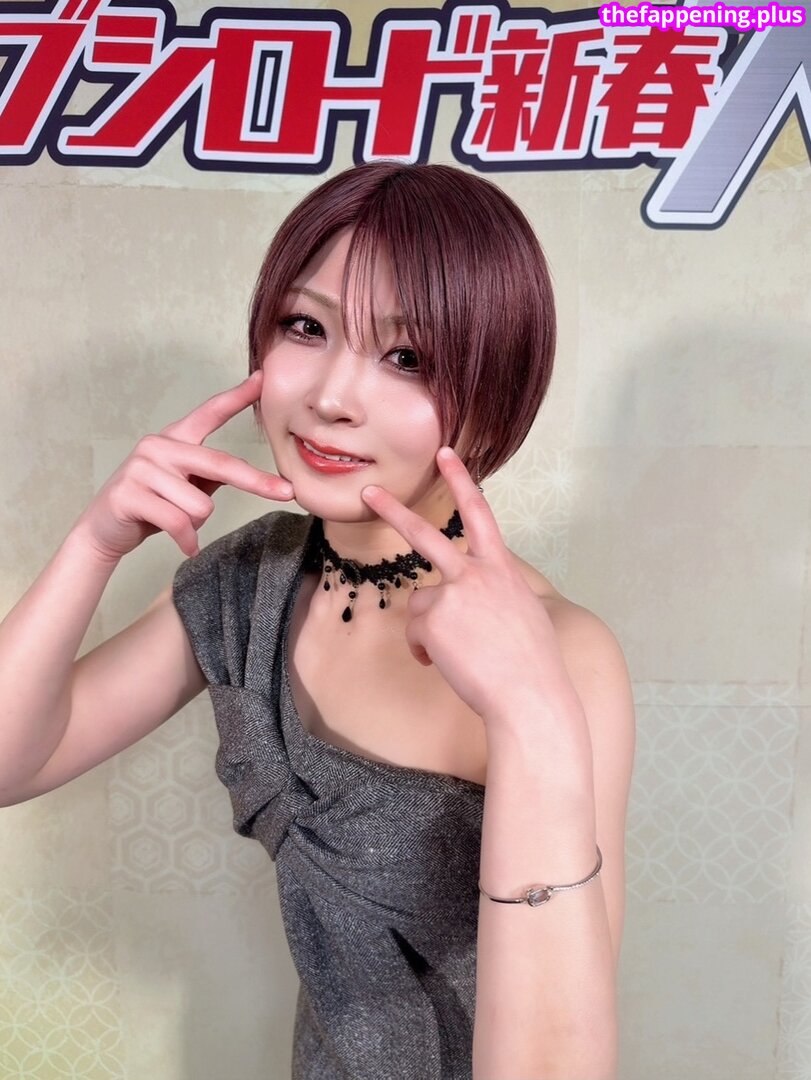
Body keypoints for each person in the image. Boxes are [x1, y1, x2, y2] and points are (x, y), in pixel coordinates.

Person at [0, 161, 635, 1079]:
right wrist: (94, 545)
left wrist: (530, 712)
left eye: (407, 359)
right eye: (307, 326)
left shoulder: (562, 653)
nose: (331, 396)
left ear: (497, 393)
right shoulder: (251, 581)